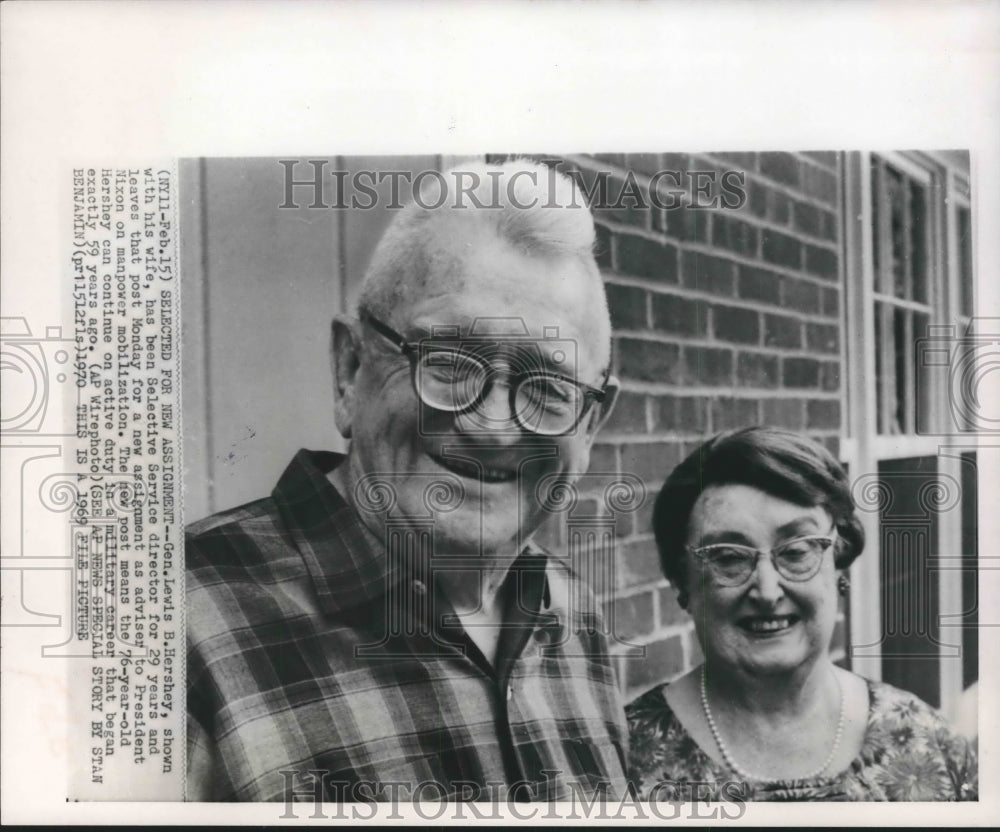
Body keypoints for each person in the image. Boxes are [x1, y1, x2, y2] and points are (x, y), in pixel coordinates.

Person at [186, 160, 629, 802]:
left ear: (590, 423)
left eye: (548, 387)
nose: (494, 428)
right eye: (448, 361)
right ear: (349, 370)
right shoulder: (174, 629)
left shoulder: (576, 614)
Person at [626, 427, 978, 801]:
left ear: (838, 562)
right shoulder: (621, 760)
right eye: (729, 557)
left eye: (796, 551)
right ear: (682, 581)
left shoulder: (926, 743)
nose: (767, 591)